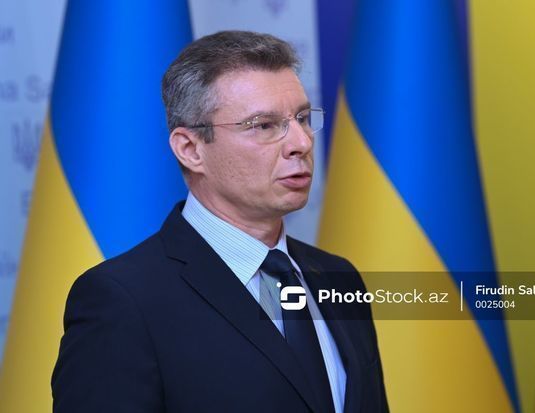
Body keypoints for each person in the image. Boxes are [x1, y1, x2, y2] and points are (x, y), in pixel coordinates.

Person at [51, 30, 388, 413]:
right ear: (190, 149)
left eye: (302, 118)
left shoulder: (338, 277)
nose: (302, 143)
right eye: (264, 125)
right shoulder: (123, 301)